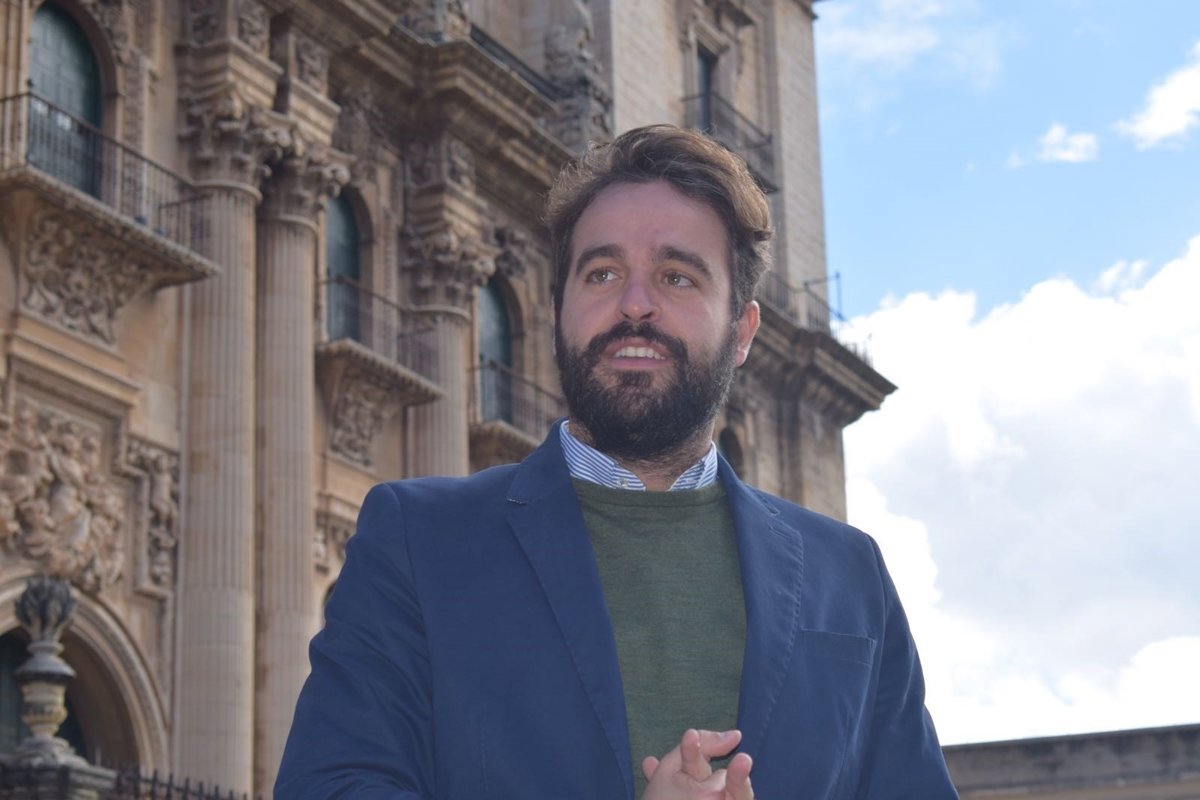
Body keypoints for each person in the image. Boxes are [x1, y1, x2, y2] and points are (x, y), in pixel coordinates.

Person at [276, 125, 958, 799]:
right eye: (602, 274)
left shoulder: (850, 576)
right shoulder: (418, 539)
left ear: (742, 330)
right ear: (557, 313)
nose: (634, 305)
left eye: (677, 277)